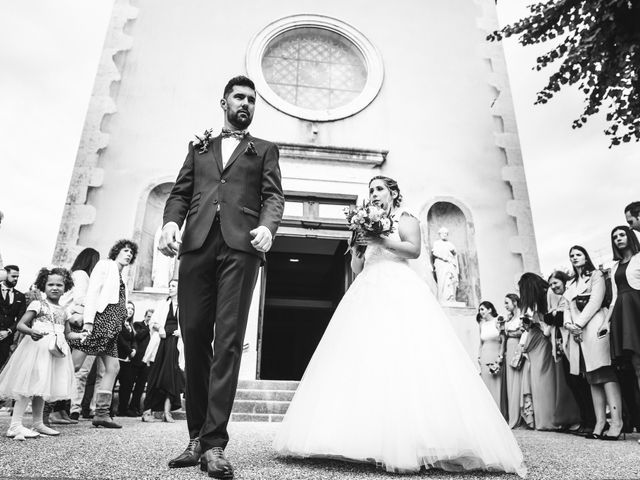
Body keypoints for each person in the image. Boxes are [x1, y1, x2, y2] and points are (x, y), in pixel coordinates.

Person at [274, 176, 526, 477]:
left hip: (397, 285)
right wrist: (357, 246)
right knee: (363, 358)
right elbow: (357, 267)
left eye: (379, 189)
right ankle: (362, 436)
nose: (374, 194)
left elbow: (413, 249)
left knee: (403, 353)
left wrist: (379, 239)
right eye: (371, 190)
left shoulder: (404, 218)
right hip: (367, 287)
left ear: (392, 192)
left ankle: (413, 439)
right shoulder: (363, 223)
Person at [159, 75, 284, 477]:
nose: (245, 103)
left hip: (241, 246)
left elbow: (273, 195)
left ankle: (214, 444)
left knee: (227, 340)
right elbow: (180, 192)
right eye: (239, 97)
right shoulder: (199, 147)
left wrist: (268, 226)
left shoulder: (263, 149)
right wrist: (170, 223)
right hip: (195, 246)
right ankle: (195, 437)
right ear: (224, 102)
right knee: (194, 336)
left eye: (251, 99)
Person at [0, 267, 87, 439]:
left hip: (53, 351)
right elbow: (21, 325)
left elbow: (68, 333)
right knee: (28, 385)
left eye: (59, 285)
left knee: (42, 387)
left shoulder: (64, 310)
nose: (55, 288)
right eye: (50, 284)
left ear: (66, 287)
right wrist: (31, 332)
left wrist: (80, 335)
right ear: (43, 286)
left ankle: (38, 423)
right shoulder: (38, 304)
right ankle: (15, 425)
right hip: (36, 349)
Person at [68, 239, 137, 429]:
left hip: (112, 328)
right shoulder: (105, 265)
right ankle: (51, 405)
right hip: (99, 323)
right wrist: (89, 322)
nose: (128, 254)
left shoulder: (123, 277)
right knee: (75, 365)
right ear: (116, 251)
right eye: (125, 250)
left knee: (113, 368)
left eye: (131, 252)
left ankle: (101, 413)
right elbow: (93, 293)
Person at [564, 245, 623, 440]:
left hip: (595, 326)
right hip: (577, 333)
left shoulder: (596, 275)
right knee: (590, 375)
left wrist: (578, 324)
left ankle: (616, 422)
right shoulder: (571, 283)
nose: (574, 257)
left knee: (604, 371)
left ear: (586, 256)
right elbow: (566, 306)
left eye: (578, 254)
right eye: (571, 255)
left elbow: (595, 301)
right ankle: (600, 422)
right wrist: (568, 324)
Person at [546, 270, 592, 435]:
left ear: (564, 281)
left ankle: (590, 420)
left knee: (581, 382)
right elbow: (549, 319)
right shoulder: (559, 300)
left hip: (575, 343)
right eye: (551, 284)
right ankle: (585, 420)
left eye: (555, 283)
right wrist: (553, 316)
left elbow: (559, 320)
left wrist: (553, 316)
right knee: (573, 383)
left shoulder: (570, 295)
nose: (553, 287)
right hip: (562, 346)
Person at [606, 226, 640, 432]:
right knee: (637, 368)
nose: (618, 239)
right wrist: (606, 322)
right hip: (623, 315)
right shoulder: (614, 267)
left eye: (621, 235)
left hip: (637, 308)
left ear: (629, 236)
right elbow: (615, 297)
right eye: (614, 237)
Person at [517, 273, 557, 431]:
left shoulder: (547, 296)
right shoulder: (535, 302)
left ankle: (548, 418)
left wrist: (536, 321)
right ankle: (542, 418)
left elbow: (545, 326)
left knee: (543, 378)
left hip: (542, 340)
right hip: (534, 341)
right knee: (538, 380)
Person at [141, 279, 184, 423]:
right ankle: (147, 411)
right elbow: (152, 322)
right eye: (169, 285)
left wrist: (182, 332)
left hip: (175, 342)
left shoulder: (185, 305)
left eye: (173, 286)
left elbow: (190, 324)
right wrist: (160, 328)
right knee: (154, 374)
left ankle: (167, 412)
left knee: (171, 376)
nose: (170, 288)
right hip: (161, 342)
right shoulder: (162, 305)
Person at [477, 301, 507, 415]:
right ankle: (489, 414)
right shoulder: (482, 325)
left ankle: (499, 413)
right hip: (484, 355)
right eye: (480, 310)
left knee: (497, 383)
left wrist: (500, 356)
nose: (481, 312)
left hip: (495, 354)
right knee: (486, 384)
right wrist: (479, 356)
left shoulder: (498, 320)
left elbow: (503, 340)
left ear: (490, 309)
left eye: (483, 309)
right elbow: (480, 342)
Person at [0, 265, 26, 370]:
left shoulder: (20, 296)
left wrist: (9, 331)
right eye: (13, 276)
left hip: (7, 338)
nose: (16, 279)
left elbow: (21, 318)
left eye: (17, 277)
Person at [503, 293, 523, 428]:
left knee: (518, 379)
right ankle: (512, 415)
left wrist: (508, 333)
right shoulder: (509, 318)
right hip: (508, 348)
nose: (505, 306)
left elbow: (521, 332)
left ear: (515, 302)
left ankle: (519, 415)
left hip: (517, 346)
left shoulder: (521, 316)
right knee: (510, 382)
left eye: (507, 303)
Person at [128, 308, 153, 416]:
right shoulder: (138, 325)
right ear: (145, 316)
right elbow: (137, 336)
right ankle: (125, 408)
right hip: (136, 359)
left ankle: (135, 407)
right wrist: (149, 327)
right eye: (148, 317)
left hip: (146, 361)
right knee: (129, 384)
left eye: (152, 317)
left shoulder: (155, 330)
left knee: (140, 386)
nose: (150, 319)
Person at [115, 301, 138, 416]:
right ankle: (108, 410)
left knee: (127, 385)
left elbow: (134, 340)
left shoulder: (130, 325)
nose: (130, 310)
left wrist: (134, 349)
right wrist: (130, 351)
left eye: (132, 309)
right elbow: (119, 339)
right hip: (117, 357)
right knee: (113, 383)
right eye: (128, 308)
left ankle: (122, 409)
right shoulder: (118, 323)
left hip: (128, 360)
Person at [431, 227, 459, 303]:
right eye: (443, 233)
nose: (445, 235)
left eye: (446, 233)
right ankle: (443, 298)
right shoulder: (436, 243)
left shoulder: (450, 244)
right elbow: (435, 253)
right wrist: (445, 258)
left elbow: (454, 254)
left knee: (450, 280)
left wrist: (453, 253)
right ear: (440, 234)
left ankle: (451, 298)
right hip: (441, 265)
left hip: (449, 265)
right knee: (442, 281)